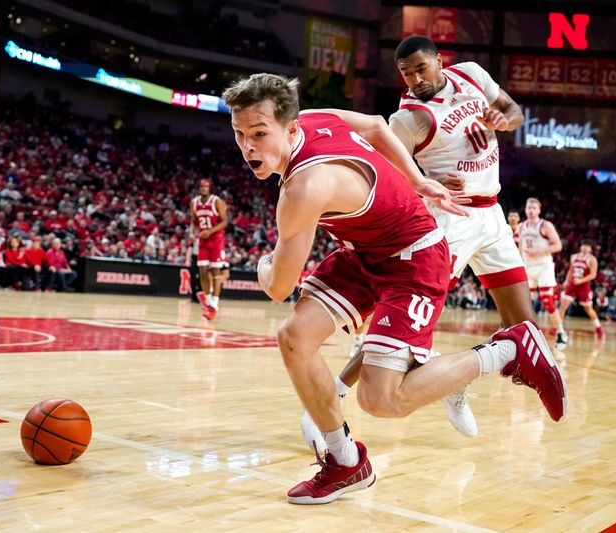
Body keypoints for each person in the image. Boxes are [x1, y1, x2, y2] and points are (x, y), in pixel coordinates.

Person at [223, 73, 566, 504]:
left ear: (291, 128)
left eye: (259, 133)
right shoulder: (314, 117)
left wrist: (263, 265)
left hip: (414, 256)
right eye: (239, 134)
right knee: (295, 336)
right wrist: (417, 179)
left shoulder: (304, 187)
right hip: (366, 251)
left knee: (382, 400)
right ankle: (346, 462)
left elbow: (277, 288)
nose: (248, 147)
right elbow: (375, 126)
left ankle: (510, 350)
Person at [302, 34, 540, 450]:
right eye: (406, 73)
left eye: (420, 68)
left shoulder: (471, 74)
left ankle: (453, 377)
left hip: (493, 216)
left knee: (524, 328)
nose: (414, 79)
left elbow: (515, 111)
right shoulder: (407, 120)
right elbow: (390, 180)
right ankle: (332, 395)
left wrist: (505, 119)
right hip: (447, 220)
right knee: (392, 317)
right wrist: (425, 183)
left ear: (439, 61)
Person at [518, 198, 567, 348]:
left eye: (534, 208)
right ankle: (526, 334)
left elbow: (558, 245)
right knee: (524, 302)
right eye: (528, 207)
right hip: (528, 267)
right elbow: (520, 248)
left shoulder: (545, 225)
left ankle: (561, 333)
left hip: (544, 266)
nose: (531, 210)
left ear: (539, 210)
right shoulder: (521, 226)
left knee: (547, 302)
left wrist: (541, 252)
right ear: (525, 209)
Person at [190, 178, 229, 320]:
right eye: (202, 186)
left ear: (210, 188)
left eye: (206, 186)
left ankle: (214, 305)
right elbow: (193, 222)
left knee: (216, 272)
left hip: (216, 240)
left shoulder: (217, 201)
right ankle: (209, 304)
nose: (204, 188)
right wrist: (192, 234)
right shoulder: (194, 203)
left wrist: (211, 231)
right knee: (203, 272)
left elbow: (225, 221)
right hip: (202, 241)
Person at [559, 242, 604, 339]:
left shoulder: (592, 259)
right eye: (583, 245)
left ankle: (598, 327)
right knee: (563, 306)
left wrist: (581, 280)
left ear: (590, 249)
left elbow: (593, 275)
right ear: (580, 247)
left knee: (588, 309)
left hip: (583, 286)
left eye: (587, 246)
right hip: (572, 284)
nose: (585, 248)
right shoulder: (574, 257)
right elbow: (571, 270)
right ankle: (558, 328)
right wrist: (567, 280)